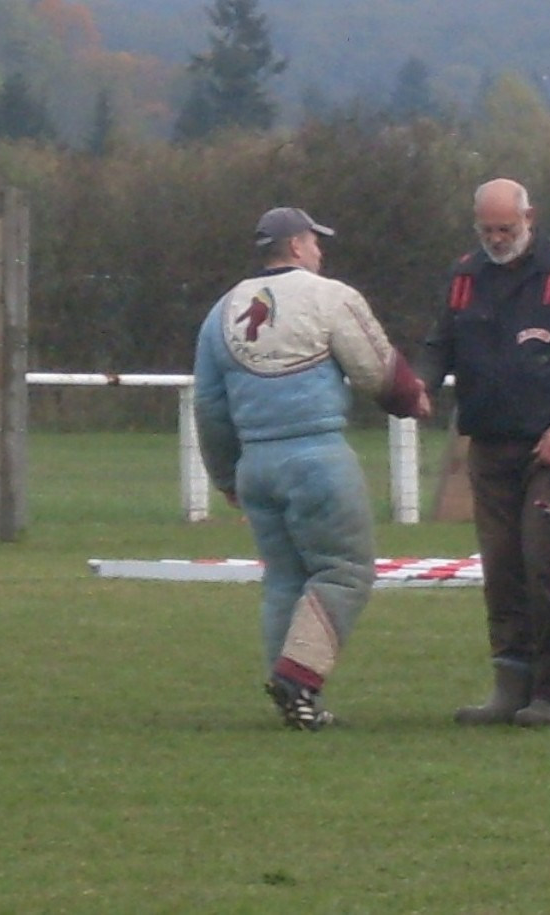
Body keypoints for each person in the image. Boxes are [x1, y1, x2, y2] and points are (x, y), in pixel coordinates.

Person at [193, 206, 431, 730]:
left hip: (256, 465)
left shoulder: (221, 312)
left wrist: (226, 477)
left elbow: (208, 407)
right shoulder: (330, 297)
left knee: (285, 579)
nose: (321, 251)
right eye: (315, 242)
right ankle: (299, 680)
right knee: (344, 572)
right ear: (297, 246)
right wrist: (411, 398)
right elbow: (376, 369)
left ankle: (292, 702)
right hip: (316, 458)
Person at [416, 178, 550, 726]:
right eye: (487, 229)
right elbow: (440, 344)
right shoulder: (465, 277)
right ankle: (510, 684)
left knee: (545, 564)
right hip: (489, 445)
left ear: (531, 216)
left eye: (506, 228)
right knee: (501, 569)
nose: (497, 238)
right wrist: (421, 387)